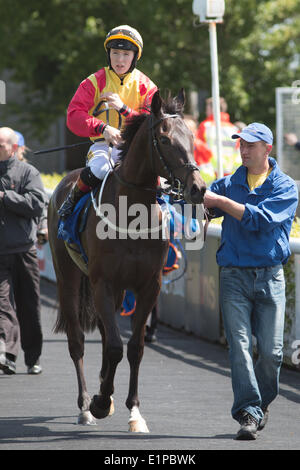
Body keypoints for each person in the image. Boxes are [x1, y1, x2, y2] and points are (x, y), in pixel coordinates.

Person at [204, 122, 298, 440]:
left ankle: (259, 405)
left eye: (250, 145)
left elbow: (258, 220)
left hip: (271, 278)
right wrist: (172, 199)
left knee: (271, 354)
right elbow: (195, 202)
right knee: (240, 348)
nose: (243, 150)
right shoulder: (229, 183)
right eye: (241, 145)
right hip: (233, 276)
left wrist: (216, 202)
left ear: (267, 149)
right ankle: (248, 412)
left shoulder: (286, 187)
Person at [58, 25, 157, 218]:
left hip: (137, 149)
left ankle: (171, 222)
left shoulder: (147, 86)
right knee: (99, 169)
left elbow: (152, 122)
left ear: (135, 57)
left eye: (126, 54)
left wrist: (123, 109)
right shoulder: (93, 82)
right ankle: (71, 203)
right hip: (103, 146)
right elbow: (73, 115)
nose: (120, 59)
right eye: (115, 53)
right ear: (109, 54)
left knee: (159, 177)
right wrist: (102, 128)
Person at [0, 127, 46, 375]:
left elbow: (37, 204)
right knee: (2, 303)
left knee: (29, 305)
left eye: (0, 145)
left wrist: (5, 197)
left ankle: (33, 357)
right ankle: (7, 353)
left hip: (24, 250)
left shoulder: (28, 172)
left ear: (14, 148)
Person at [196, 97, 241, 184]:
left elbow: (199, 149)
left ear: (213, 109)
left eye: (207, 109)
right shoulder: (234, 129)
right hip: (230, 175)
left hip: (209, 175)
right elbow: (238, 153)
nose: (206, 112)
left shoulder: (205, 126)